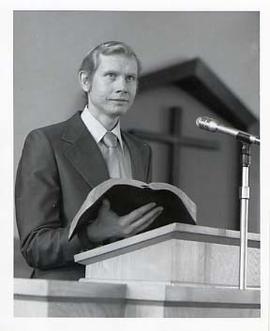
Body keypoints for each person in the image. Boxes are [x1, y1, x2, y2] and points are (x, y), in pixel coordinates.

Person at [15, 41, 163, 280]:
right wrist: (91, 233)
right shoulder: (45, 142)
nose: (122, 87)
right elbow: (35, 247)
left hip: (129, 290)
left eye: (130, 78)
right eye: (111, 76)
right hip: (65, 296)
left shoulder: (141, 150)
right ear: (85, 81)